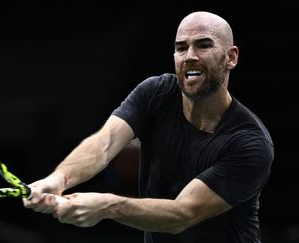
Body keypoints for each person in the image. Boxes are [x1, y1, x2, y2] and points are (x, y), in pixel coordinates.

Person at [23, 11, 274, 243]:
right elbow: (104, 144)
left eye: (204, 45)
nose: (190, 56)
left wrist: (107, 206)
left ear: (231, 57)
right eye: (181, 48)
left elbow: (182, 214)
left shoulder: (250, 143)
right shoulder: (156, 93)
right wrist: (59, 178)